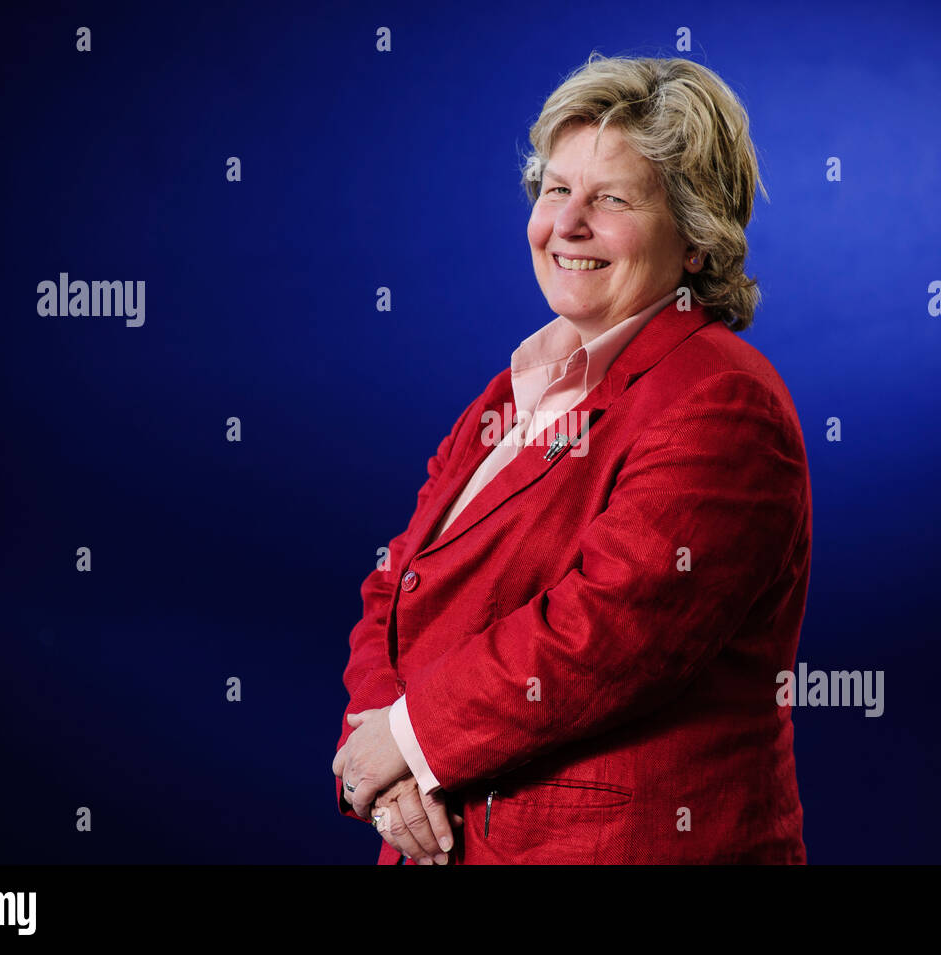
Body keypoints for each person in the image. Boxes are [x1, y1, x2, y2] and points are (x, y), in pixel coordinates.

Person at [332, 52, 811, 864]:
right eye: (556, 189)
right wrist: (378, 754)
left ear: (696, 240)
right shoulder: (516, 387)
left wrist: (408, 736)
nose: (567, 224)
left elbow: (611, 631)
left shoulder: (723, 400)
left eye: (611, 199)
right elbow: (399, 582)